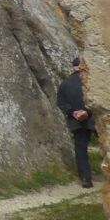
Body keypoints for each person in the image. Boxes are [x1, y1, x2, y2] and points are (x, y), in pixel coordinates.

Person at [56, 57, 97, 188]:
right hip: (94, 117)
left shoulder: (64, 84)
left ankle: (86, 178)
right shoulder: (90, 81)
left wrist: (73, 112)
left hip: (76, 120)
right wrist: (87, 111)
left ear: (73, 67)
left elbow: (61, 103)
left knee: (81, 149)